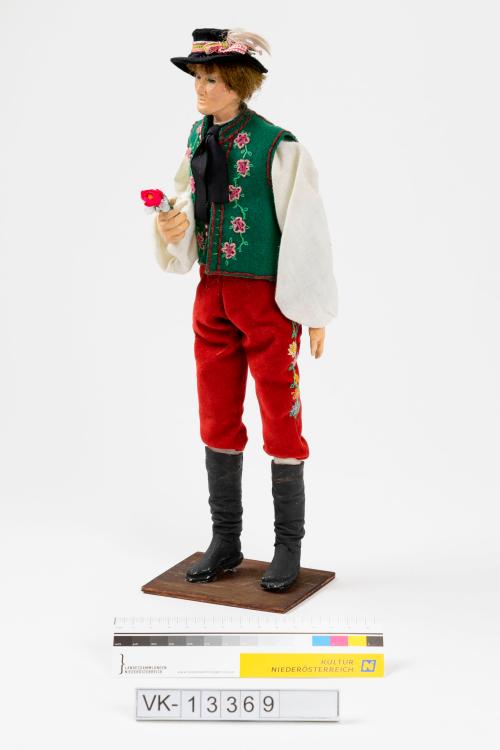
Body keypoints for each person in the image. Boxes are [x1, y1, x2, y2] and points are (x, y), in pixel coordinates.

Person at [153, 27, 338, 592]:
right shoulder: (197, 137)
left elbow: (305, 227)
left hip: (266, 300)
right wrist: (172, 225)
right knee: (216, 415)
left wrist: (313, 310)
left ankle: (288, 545)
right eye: (198, 78)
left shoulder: (277, 147)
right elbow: (187, 197)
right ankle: (226, 538)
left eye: (211, 79)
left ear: (238, 83)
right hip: (212, 295)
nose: (200, 88)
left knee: (281, 418)